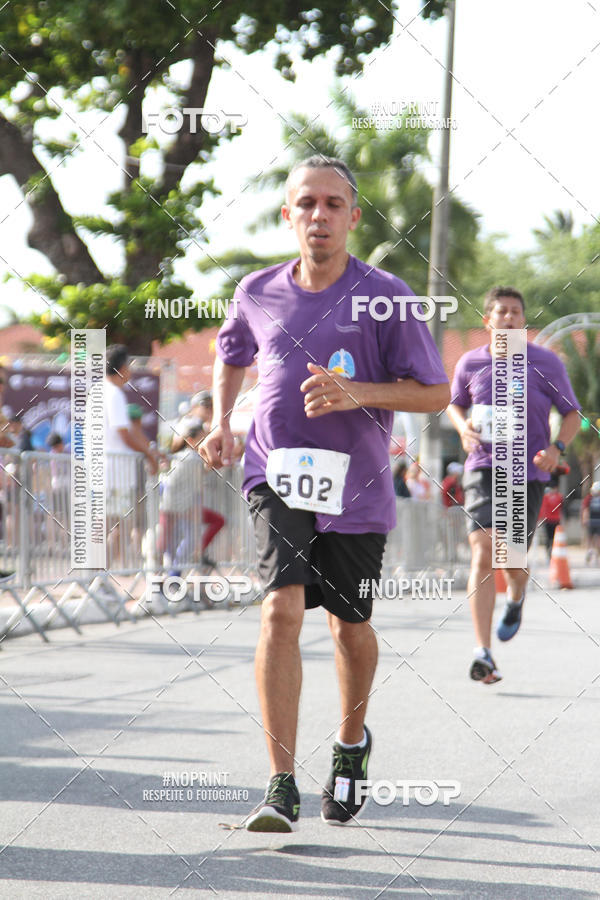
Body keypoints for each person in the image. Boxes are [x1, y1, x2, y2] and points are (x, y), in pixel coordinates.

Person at [199, 155, 450, 832]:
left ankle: (350, 744)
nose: (319, 215)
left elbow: (435, 392)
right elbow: (231, 353)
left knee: (349, 624)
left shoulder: (386, 296)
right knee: (280, 610)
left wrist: (358, 392)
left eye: (334, 204)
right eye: (307, 203)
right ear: (289, 214)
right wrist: (220, 421)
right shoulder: (256, 289)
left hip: (357, 486)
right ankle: (280, 783)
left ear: (353, 217)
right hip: (274, 472)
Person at [447, 286, 580, 684]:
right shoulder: (470, 362)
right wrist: (463, 429)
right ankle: (483, 651)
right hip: (483, 466)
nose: (508, 317)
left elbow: (571, 414)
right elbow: (455, 403)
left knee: (511, 561)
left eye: (515, 312)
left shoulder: (545, 363)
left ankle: (517, 595)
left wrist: (556, 449)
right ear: (487, 320)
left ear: (523, 321)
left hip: (527, 472)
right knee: (483, 549)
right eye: (501, 311)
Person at [104, 346, 159, 565]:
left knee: (110, 527)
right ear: (122, 368)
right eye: (129, 366)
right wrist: (149, 455)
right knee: (115, 527)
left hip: (105, 471)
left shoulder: (98, 392)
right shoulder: (114, 394)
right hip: (114, 474)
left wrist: (150, 452)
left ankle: (98, 577)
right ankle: (98, 576)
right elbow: (125, 435)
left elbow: (129, 433)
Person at [538, 484, 563, 560]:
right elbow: (543, 508)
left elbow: (562, 508)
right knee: (549, 538)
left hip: (555, 520)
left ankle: (552, 552)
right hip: (548, 520)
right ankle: (549, 552)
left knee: (553, 538)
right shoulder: (548, 497)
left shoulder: (558, 497)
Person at [581, 482, 600, 565]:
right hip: (591, 521)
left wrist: (584, 519)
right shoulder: (589, 498)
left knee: (596, 540)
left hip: (595, 522)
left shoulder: (589, 498)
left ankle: (594, 555)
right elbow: (586, 509)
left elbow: (585, 509)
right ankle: (590, 552)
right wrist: (585, 519)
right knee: (590, 539)